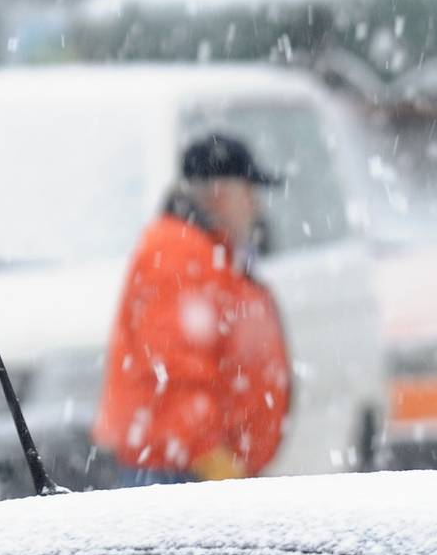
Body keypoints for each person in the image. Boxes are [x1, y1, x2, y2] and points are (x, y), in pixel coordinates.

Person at [95, 133, 293, 486]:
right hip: (178, 473)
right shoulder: (178, 253)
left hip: (191, 468)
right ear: (220, 193)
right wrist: (210, 454)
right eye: (249, 193)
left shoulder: (204, 251)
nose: (257, 207)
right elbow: (171, 371)